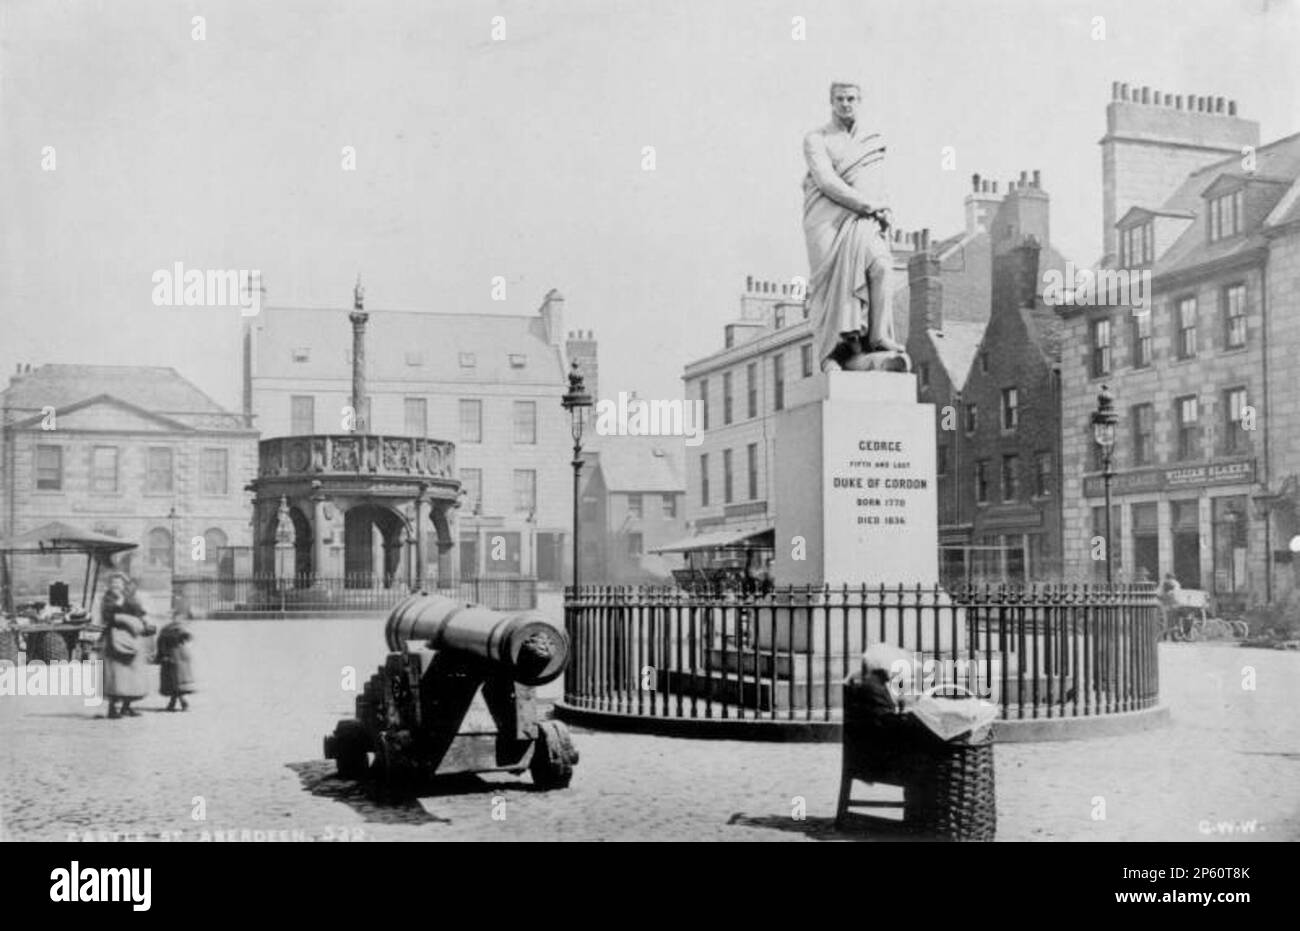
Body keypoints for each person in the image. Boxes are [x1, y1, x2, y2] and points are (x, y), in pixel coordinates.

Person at [802, 81, 905, 371]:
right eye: (839, 98)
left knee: (882, 266)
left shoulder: (872, 140)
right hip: (827, 221)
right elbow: (825, 180)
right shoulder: (816, 138)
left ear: (860, 101)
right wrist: (867, 205)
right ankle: (832, 356)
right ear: (831, 101)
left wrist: (884, 212)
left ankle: (878, 336)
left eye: (851, 98)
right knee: (830, 287)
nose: (845, 104)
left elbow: (878, 184)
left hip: (862, 221)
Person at [100, 572, 154, 719]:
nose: (116, 586)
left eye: (119, 583)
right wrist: (120, 610)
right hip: (114, 639)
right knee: (115, 675)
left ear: (124, 585)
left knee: (132, 673)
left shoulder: (130, 598)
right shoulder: (108, 599)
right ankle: (112, 709)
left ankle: (127, 706)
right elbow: (106, 616)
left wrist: (145, 622)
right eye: (113, 583)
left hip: (131, 638)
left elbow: (140, 611)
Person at [155, 618, 195, 711]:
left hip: (173, 659)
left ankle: (178, 702)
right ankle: (176, 703)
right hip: (177, 659)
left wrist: (161, 656)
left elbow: (161, 645)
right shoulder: (179, 632)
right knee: (175, 683)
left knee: (174, 683)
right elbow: (188, 638)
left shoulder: (165, 633)